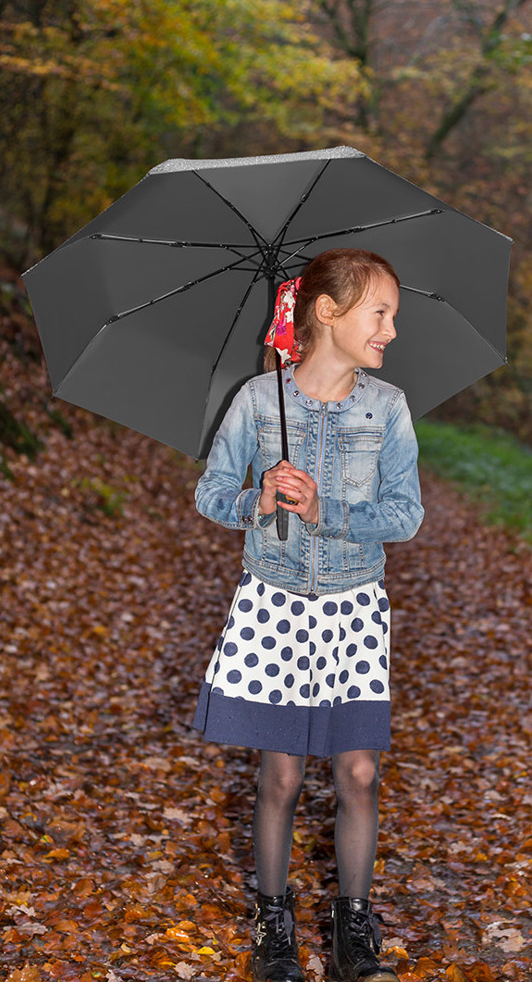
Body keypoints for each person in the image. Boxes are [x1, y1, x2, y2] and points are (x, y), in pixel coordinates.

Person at [192, 247, 424, 982]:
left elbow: (406, 514)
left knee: (357, 771)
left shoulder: (387, 408)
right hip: (275, 604)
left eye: (393, 316)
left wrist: (330, 512)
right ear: (328, 312)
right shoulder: (261, 401)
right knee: (281, 776)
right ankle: (273, 924)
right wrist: (255, 501)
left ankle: (353, 926)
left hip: (355, 606)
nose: (390, 330)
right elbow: (210, 492)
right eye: (380, 312)